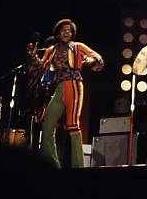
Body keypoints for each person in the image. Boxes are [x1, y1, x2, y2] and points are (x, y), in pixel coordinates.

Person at [27, 19, 104, 168]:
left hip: (74, 86)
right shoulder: (51, 50)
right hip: (59, 88)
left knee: (72, 125)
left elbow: (99, 60)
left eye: (69, 30)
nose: (66, 32)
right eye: (63, 30)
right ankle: (51, 164)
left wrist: (90, 59)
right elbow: (39, 71)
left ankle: (78, 166)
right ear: (57, 32)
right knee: (47, 123)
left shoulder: (78, 47)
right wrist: (33, 57)